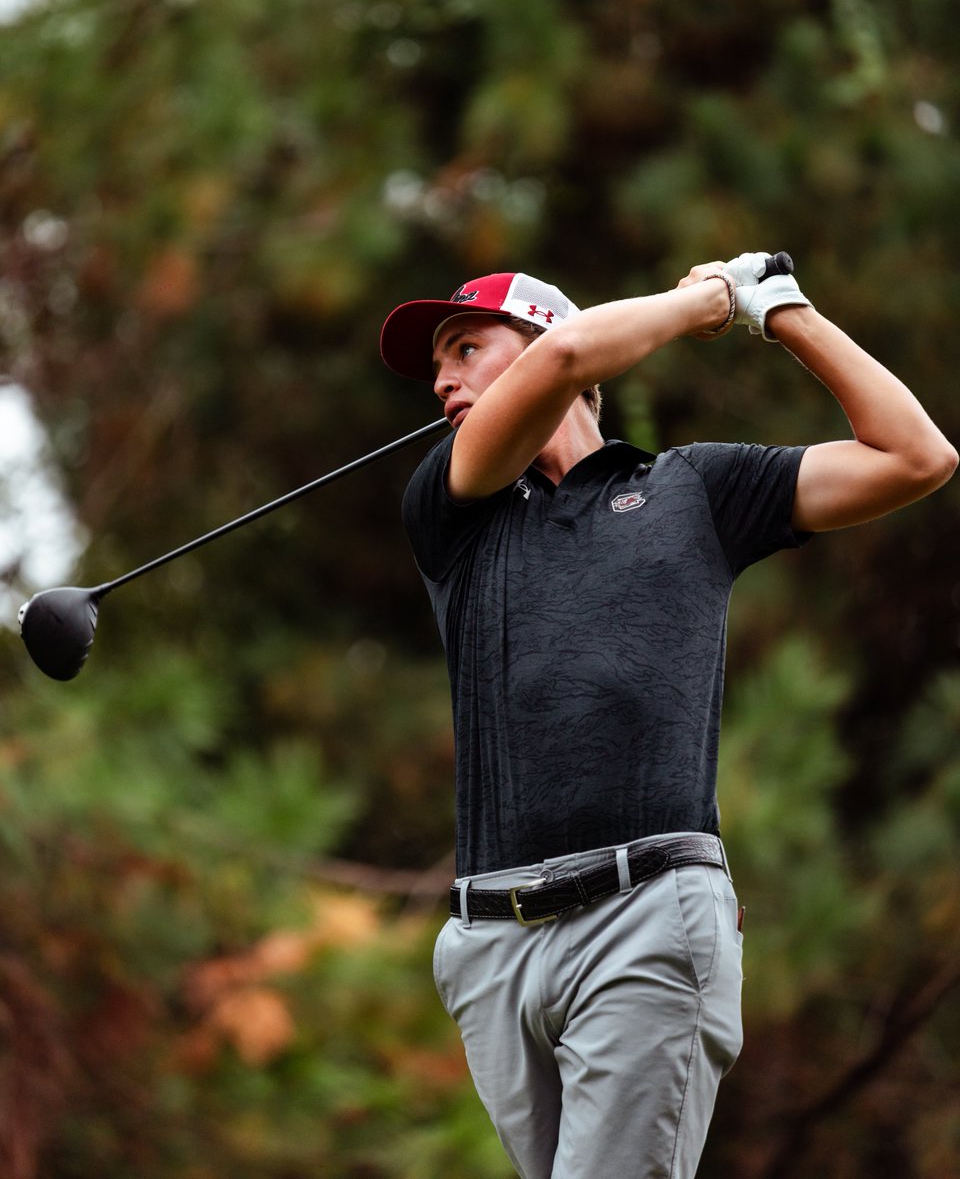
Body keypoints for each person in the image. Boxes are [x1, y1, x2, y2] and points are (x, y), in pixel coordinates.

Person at [378, 256, 957, 1179]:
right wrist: (704, 303)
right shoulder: (453, 506)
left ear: (537, 339)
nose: (443, 381)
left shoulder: (696, 489)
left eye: (466, 349)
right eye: (437, 366)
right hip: (492, 944)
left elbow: (917, 458)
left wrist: (782, 312)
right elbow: (565, 357)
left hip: (646, 914)